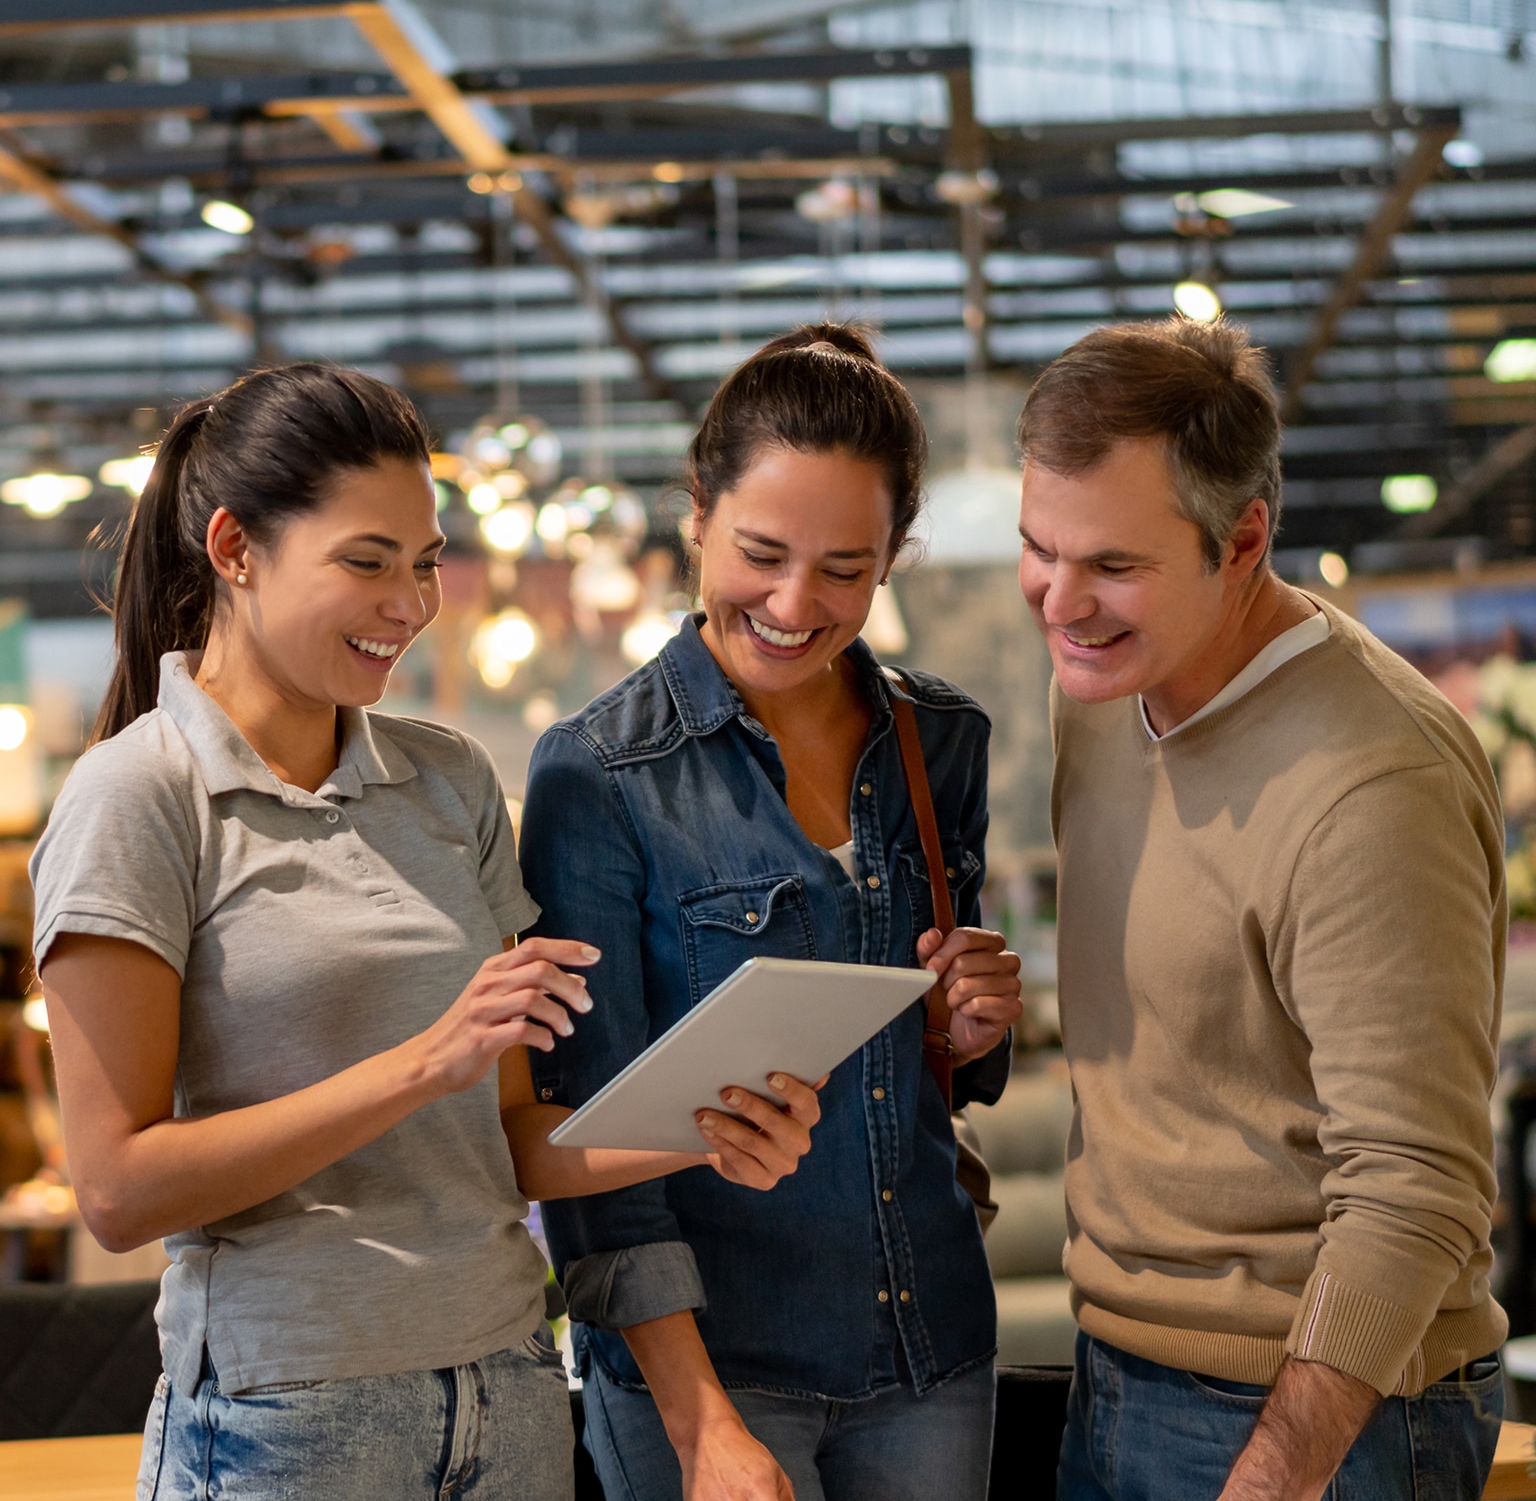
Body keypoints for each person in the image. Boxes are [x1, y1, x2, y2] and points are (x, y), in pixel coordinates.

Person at [29, 363, 823, 1501]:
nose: (409, 603)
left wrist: (705, 1125)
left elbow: (507, 1140)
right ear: (235, 548)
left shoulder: (446, 780)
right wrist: (421, 1064)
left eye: (426, 562)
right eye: (366, 562)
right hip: (286, 1416)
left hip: (506, 1389)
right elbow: (115, 1194)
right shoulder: (136, 796)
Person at [518, 323, 1024, 1501]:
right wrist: (699, 1426)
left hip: (934, 1347)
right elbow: (586, 1136)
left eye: (845, 568)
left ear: (894, 555)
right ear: (696, 512)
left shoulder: (939, 741)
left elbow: (922, 1060)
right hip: (717, 1369)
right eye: (761, 552)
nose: (796, 603)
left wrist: (967, 1025)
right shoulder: (598, 776)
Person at [1016, 316, 1507, 1501]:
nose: (1061, 602)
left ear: (1243, 543)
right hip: (1117, 1365)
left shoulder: (1375, 781)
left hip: (1315, 1415)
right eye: (1041, 549)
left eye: (1114, 567)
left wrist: (1279, 1472)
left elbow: (1413, 1185)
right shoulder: (1098, 690)